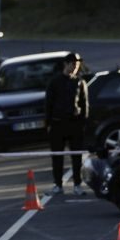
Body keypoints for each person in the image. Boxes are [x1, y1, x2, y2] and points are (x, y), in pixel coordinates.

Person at [44, 52, 89, 195]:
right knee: (57, 156)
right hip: (58, 124)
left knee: (77, 156)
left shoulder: (80, 82)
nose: (75, 67)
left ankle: (77, 184)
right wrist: (48, 123)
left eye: (77, 65)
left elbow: (84, 103)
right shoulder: (55, 81)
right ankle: (58, 184)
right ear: (66, 64)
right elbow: (48, 103)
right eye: (73, 64)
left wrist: (83, 122)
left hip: (74, 124)